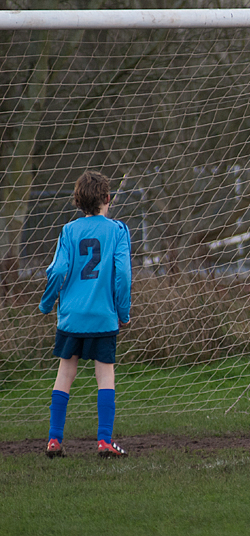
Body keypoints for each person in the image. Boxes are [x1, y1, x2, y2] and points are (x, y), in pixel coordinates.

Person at [40, 170, 132, 458]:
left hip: (72, 317)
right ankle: (104, 441)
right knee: (105, 375)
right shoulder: (118, 231)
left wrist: (47, 303)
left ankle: (54, 440)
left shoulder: (68, 231)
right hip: (103, 316)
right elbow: (123, 275)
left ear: (78, 202)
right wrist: (123, 311)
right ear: (108, 198)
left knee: (65, 373)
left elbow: (58, 270)